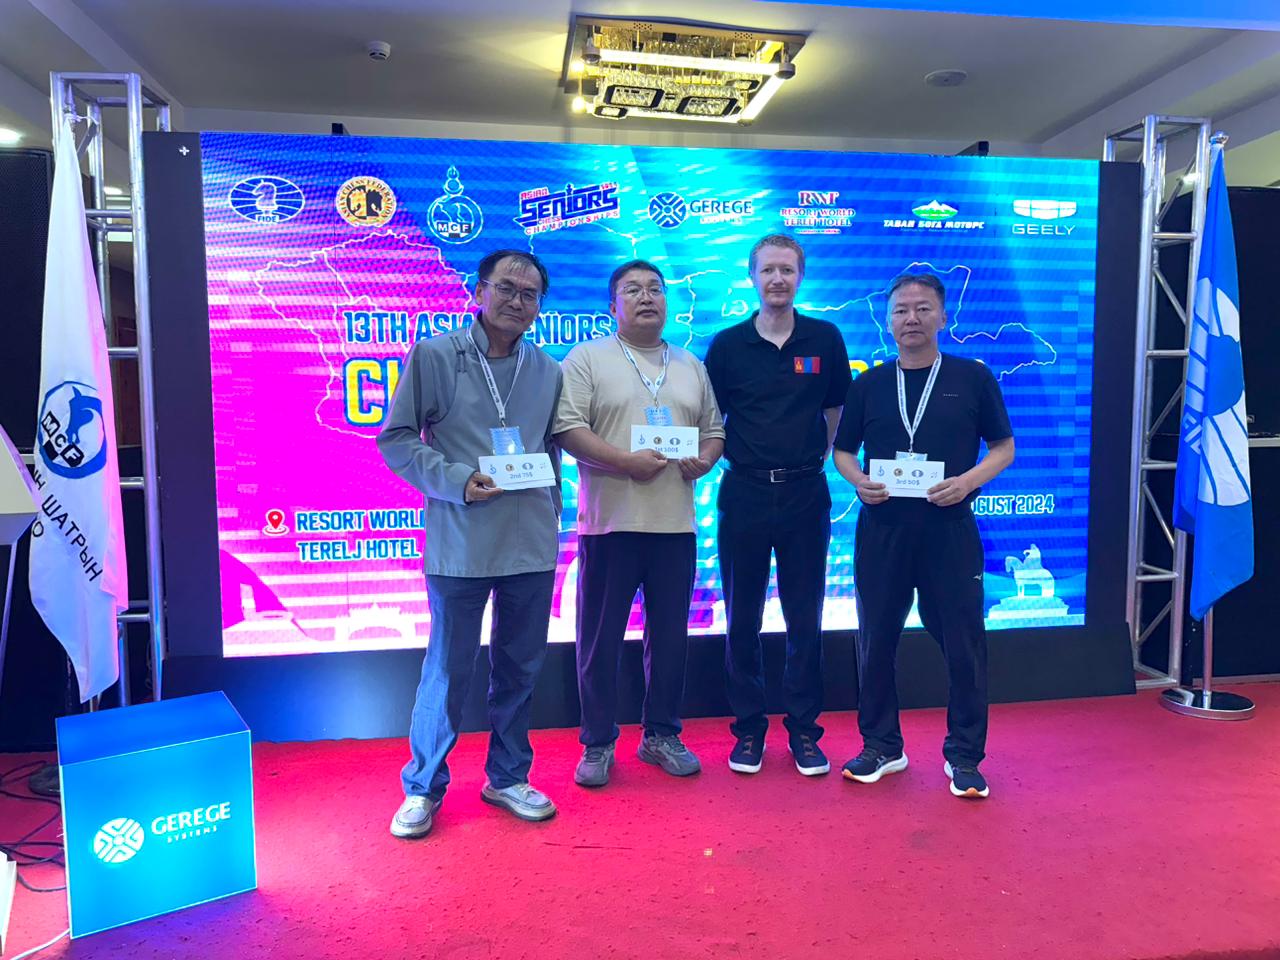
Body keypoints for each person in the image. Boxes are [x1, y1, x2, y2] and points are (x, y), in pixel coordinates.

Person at [378, 249, 562, 838]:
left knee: (520, 668)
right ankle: (422, 786)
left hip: (530, 540)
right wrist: (457, 480)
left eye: (529, 294)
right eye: (506, 288)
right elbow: (396, 439)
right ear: (478, 292)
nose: (516, 301)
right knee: (448, 670)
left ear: (539, 306)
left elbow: (549, 448)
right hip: (460, 539)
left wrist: (554, 512)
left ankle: (507, 777)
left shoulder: (547, 369)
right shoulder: (436, 355)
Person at [832, 272, 1015, 799]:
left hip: (949, 530)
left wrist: (968, 482)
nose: (911, 319)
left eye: (922, 309)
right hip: (883, 531)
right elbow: (842, 452)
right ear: (888, 320)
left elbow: (1003, 448)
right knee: (875, 642)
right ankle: (881, 746)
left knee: (963, 645)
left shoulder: (972, 377)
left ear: (943, 316)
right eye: (901, 310)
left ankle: (965, 756)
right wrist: (858, 481)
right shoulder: (868, 383)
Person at [554, 259, 725, 787]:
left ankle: (661, 735)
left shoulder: (690, 364)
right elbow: (567, 428)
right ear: (613, 306)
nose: (646, 297)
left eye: (655, 288)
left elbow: (714, 430)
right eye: (633, 290)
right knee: (599, 640)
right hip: (609, 525)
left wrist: (706, 459)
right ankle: (598, 742)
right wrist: (625, 462)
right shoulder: (587, 358)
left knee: (671, 639)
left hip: (675, 527)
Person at [703, 235, 851, 777]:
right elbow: (711, 417)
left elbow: (835, 411)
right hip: (743, 492)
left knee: (804, 617)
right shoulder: (727, 345)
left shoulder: (825, 338)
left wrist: (812, 456)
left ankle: (805, 732)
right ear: (752, 277)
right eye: (768, 270)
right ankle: (748, 731)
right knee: (742, 616)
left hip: (805, 493)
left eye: (787, 270)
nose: (778, 279)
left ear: (800, 277)